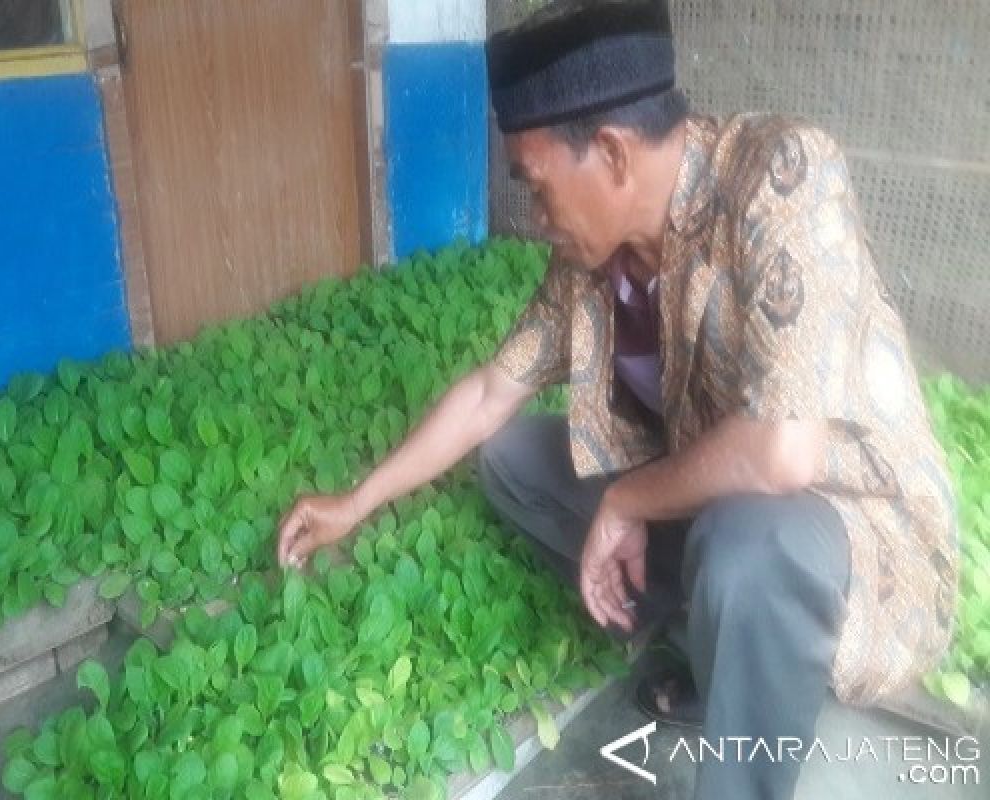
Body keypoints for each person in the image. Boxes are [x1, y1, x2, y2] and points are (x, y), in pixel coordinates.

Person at [276, 1, 958, 797]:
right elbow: (493, 392)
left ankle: (747, 717)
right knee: (513, 459)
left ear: (610, 153)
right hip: (722, 506)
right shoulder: (595, 261)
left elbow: (783, 453)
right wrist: (355, 503)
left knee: (750, 544)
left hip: (854, 533)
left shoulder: (782, 177)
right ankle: (726, 643)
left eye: (537, 185)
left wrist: (630, 499)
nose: (535, 217)